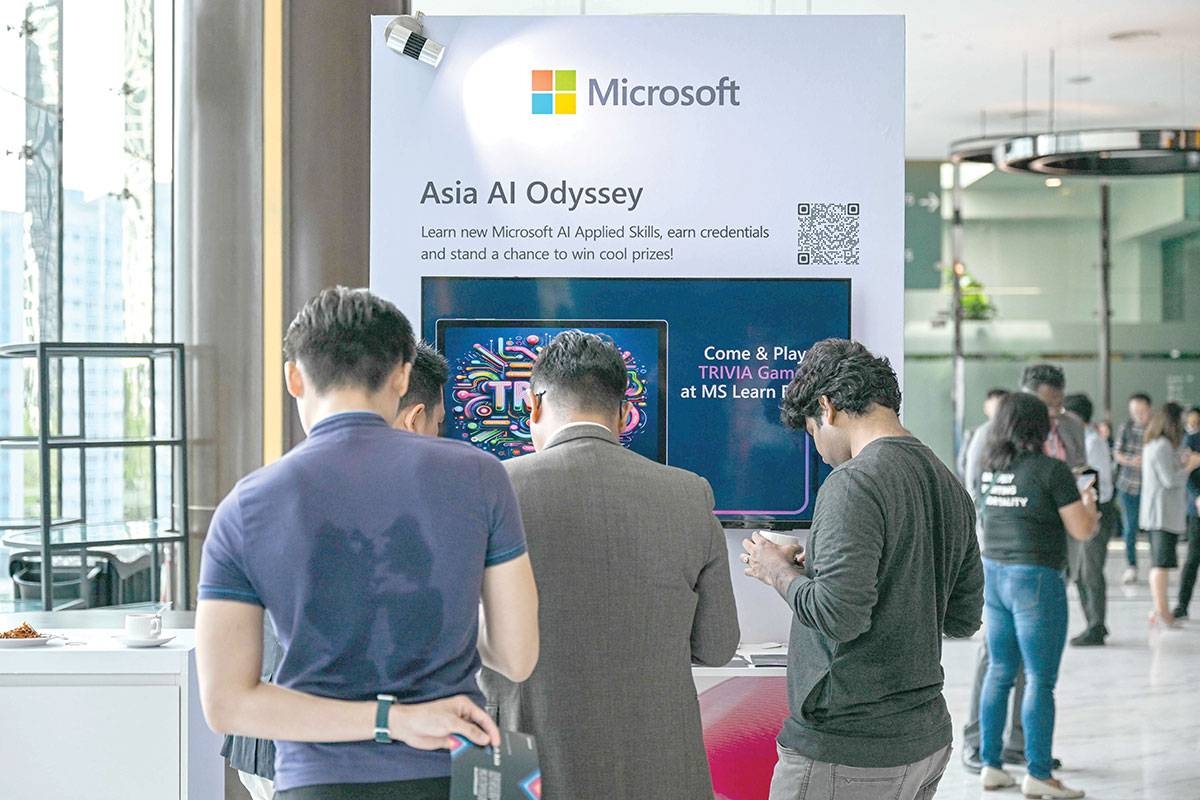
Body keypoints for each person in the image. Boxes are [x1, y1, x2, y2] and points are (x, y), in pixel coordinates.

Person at [196, 287, 539, 800]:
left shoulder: (245, 507)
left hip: (317, 782)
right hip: (455, 774)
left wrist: (389, 721)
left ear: (294, 376)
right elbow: (516, 657)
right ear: (402, 375)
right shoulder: (481, 477)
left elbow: (226, 704)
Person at [480, 330, 739, 800]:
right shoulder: (689, 493)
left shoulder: (493, 487)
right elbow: (719, 646)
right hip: (660, 773)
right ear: (623, 412)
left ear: (532, 406)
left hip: (526, 768)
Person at [741, 339, 982, 800]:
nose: (819, 450)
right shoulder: (949, 485)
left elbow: (841, 616)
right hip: (924, 737)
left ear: (827, 407)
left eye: (811, 431)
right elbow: (962, 617)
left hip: (847, 747)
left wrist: (776, 570)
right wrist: (827, 569)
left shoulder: (852, 482)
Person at [222, 339, 453, 800]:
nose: (440, 441)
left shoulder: (280, 487)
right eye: (439, 425)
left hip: (270, 740)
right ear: (412, 417)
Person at [975, 392, 1100, 799]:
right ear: (1038, 425)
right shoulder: (1052, 471)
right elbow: (1082, 530)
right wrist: (1090, 505)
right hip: (1036, 581)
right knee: (1040, 681)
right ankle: (1039, 774)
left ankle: (991, 766)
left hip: (994, 577)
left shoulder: (989, 470)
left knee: (999, 672)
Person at [961, 364, 1083, 772]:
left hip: (1032, 557)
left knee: (1018, 668)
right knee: (1011, 666)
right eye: (1050, 407)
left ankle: (1016, 747)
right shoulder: (988, 439)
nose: (1057, 415)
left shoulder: (1070, 431)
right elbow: (975, 495)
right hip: (1017, 563)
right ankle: (993, 750)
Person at [1139, 402, 1200, 627]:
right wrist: (1190, 467)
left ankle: (1159, 610)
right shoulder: (1161, 445)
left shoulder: (1157, 444)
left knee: (1161, 563)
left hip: (1160, 512)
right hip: (1161, 513)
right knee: (1161, 565)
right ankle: (1164, 613)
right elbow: (1169, 480)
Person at [1063, 393, 1116, 647]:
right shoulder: (1081, 440)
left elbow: (1090, 480)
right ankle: (1093, 624)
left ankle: (1096, 626)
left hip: (1096, 511)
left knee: (1090, 572)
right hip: (1084, 509)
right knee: (1081, 573)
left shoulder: (1091, 442)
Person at [1113, 394, 1153, 584]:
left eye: (1141, 411)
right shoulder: (1126, 428)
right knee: (1130, 528)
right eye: (1134, 411)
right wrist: (1131, 460)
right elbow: (1117, 453)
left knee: (1154, 528)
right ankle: (1132, 566)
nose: (1138, 415)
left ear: (1149, 409)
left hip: (1151, 487)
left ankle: (1157, 565)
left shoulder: (1156, 429)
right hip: (1128, 485)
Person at [1174, 410, 1200, 619]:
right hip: (1198, 508)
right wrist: (1197, 496)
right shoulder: (1192, 439)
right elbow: (1188, 471)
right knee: (1193, 558)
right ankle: (1182, 605)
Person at [958, 388, 1008, 483]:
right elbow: (964, 466)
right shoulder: (973, 434)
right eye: (994, 403)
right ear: (986, 408)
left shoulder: (1013, 434)